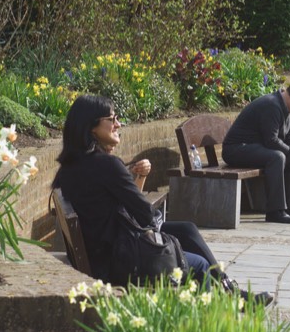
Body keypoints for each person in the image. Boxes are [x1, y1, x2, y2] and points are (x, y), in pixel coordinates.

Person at [52, 95, 271, 302]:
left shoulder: (68, 169)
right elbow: (144, 214)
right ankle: (217, 312)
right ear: (91, 127)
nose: (118, 124)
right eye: (111, 119)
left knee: (186, 230)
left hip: (103, 251)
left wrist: (139, 179)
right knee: (200, 264)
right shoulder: (107, 165)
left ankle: (229, 289)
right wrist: (154, 224)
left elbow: (121, 208)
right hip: (120, 260)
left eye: (117, 118)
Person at [223, 80, 290, 224]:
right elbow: (271, 141)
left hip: (255, 148)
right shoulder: (271, 105)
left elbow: (289, 136)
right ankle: (275, 212)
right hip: (237, 149)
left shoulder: (288, 108)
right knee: (277, 157)